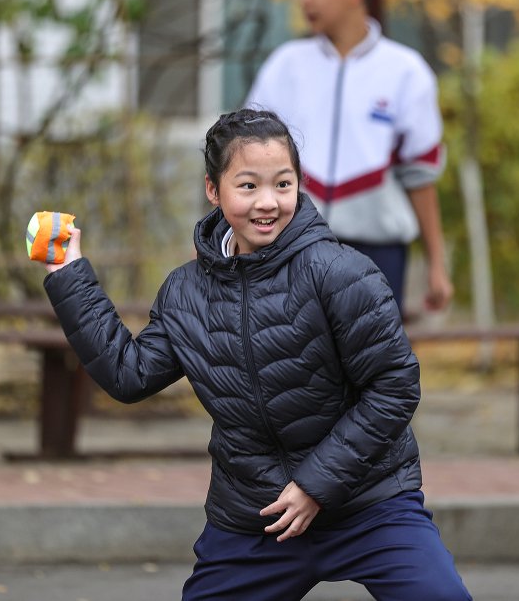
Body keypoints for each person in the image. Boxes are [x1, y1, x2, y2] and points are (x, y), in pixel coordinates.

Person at [41, 109, 472, 601]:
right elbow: (129, 374)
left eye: (283, 184)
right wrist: (67, 270)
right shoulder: (186, 292)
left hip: (368, 503)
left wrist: (315, 485)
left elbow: (394, 387)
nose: (268, 202)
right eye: (247, 186)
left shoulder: (341, 271)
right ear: (213, 189)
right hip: (257, 515)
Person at [246, 0, 453, 316]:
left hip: (377, 257)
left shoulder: (406, 72)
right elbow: (242, 159)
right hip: (289, 249)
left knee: (371, 374)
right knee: (289, 372)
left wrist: (437, 266)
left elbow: (420, 177)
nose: (304, 0)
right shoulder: (284, 66)